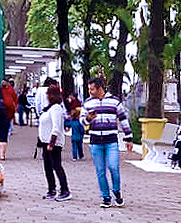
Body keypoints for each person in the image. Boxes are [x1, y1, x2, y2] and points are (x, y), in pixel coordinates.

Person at [83, 76, 133, 208]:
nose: (90, 92)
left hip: (111, 141)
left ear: (100, 88)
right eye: (89, 89)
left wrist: (129, 137)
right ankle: (105, 196)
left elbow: (123, 119)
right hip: (95, 142)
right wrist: (88, 119)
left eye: (92, 89)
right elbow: (82, 122)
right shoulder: (88, 103)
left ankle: (116, 191)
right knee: (100, 171)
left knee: (113, 167)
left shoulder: (114, 102)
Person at [39, 84, 71, 201]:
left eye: (48, 94)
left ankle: (65, 190)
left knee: (56, 166)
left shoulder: (56, 108)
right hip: (45, 142)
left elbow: (56, 127)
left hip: (53, 144)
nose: (46, 96)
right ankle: (51, 189)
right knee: (47, 167)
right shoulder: (49, 108)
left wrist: (51, 143)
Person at [65, 93, 85, 160]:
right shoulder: (80, 122)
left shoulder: (72, 122)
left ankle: (74, 157)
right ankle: (81, 155)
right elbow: (82, 130)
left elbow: (67, 124)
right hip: (79, 137)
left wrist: (64, 126)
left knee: (74, 147)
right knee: (80, 147)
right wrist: (83, 133)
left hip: (73, 137)